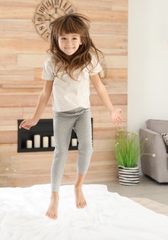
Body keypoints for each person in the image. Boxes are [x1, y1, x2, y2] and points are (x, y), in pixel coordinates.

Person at [19, 13, 123, 220]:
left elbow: (100, 87)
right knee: (60, 152)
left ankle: (78, 185)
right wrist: (35, 118)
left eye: (74, 38)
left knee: (87, 148)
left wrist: (111, 109)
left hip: (83, 112)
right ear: (56, 40)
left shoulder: (89, 60)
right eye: (64, 38)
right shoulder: (52, 62)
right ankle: (55, 195)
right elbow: (45, 93)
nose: (69, 43)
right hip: (62, 114)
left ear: (82, 39)